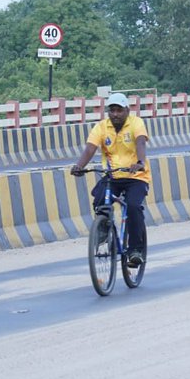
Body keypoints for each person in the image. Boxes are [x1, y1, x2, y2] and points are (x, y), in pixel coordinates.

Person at [70, 93, 151, 268]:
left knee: (133, 206)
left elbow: (141, 143)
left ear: (127, 110)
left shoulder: (136, 123)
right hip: (113, 176)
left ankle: (135, 250)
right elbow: (90, 149)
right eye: (112, 110)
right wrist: (79, 166)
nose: (115, 114)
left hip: (136, 176)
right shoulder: (101, 127)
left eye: (119, 110)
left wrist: (140, 162)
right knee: (99, 198)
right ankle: (104, 229)